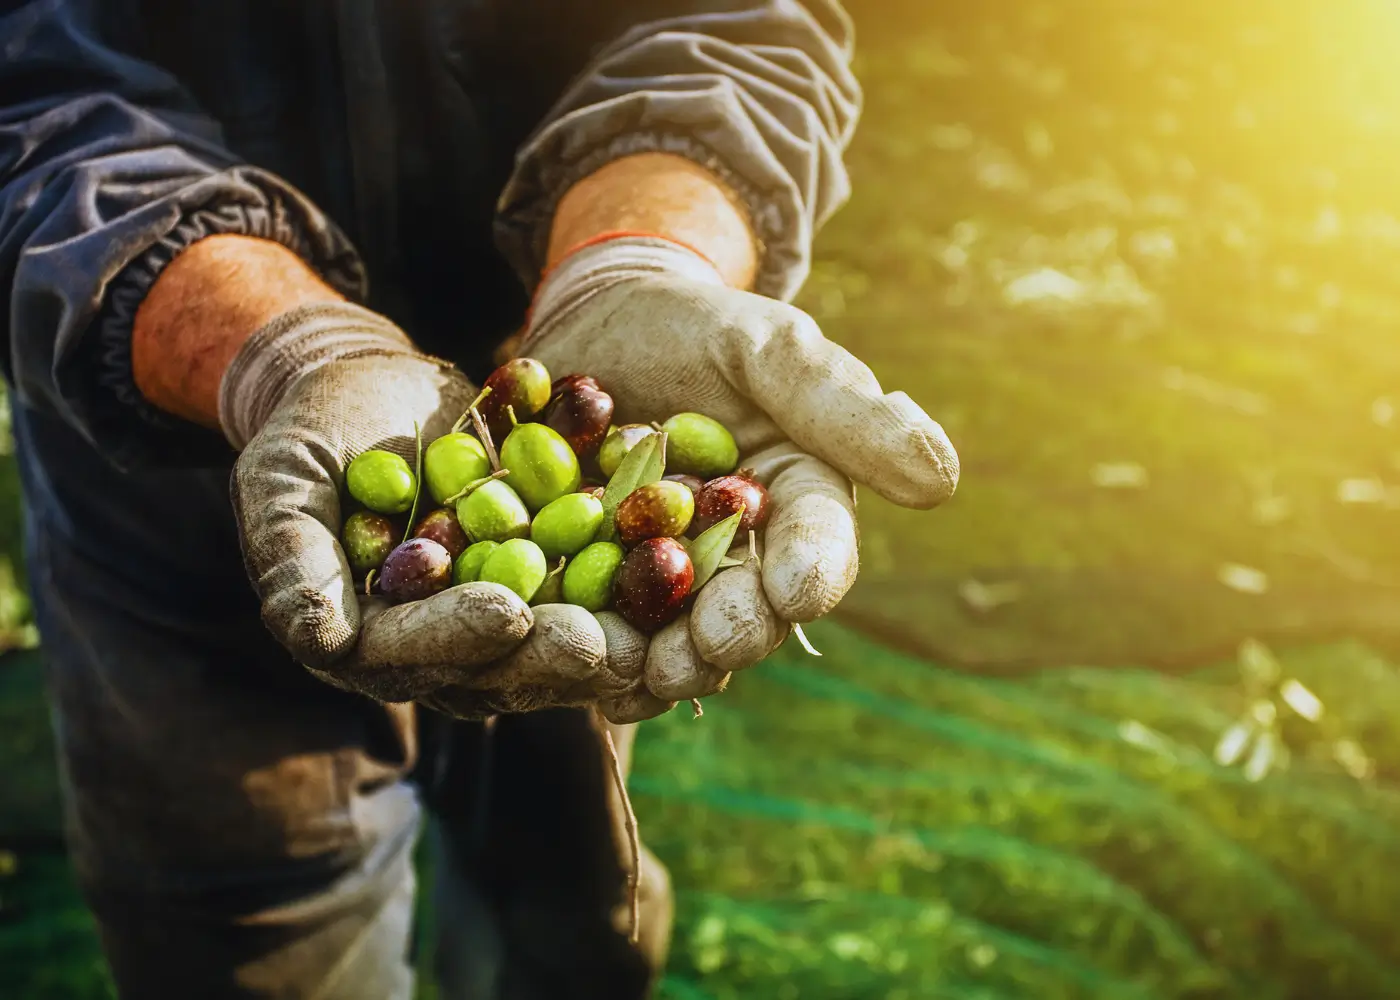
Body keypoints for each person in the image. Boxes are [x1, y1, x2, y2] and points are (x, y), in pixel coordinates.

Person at [0, 1, 958, 996]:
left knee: (572, 900)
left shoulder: (578, 483)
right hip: (166, 480)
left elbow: (732, 25)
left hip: (569, 382)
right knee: (245, 930)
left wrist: (640, 255)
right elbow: (24, 100)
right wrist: (281, 352)